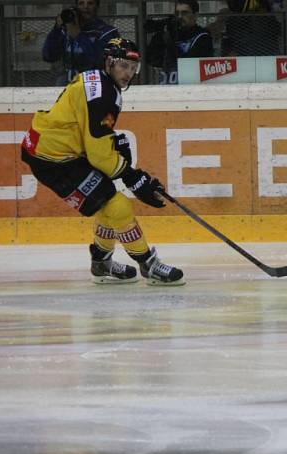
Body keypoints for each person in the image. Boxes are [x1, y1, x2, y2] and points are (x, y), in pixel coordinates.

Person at [21, 38, 185, 286]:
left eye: (133, 67)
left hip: (57, 149)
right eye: (123, 66)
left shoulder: (97, 79)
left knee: (106, 202)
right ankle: (147, 264)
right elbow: (98, 155)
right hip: (53, 159)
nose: (128, 73)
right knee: (117, 205)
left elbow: (86, 130)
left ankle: (101, 262)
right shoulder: (105, 95)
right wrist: (132, 177)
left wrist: (113, 145)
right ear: (109, 62)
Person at [42, 0, 119, 86]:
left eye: (90, 3)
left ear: (97, 7)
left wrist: (79, 36)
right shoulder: (66, 30)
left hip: (95, 84)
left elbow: (101, 62)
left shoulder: (107, 32)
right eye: (81, 3)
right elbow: (48, 56)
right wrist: (57, 28)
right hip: (67, 83)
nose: (85, 7)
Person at [146, 0, 214, 85]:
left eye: (184, 13)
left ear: (195, 15)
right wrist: (160, 36)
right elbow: (152, 60)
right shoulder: (172, 34)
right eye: (177, 13)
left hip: (191, 86)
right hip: (166, 84)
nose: (180, 17)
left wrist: (170, 43)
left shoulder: (202, 36)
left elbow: (190, 65)